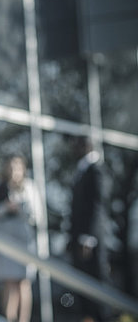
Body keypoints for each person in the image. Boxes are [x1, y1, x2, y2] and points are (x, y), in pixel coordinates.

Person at [0, 155, 42, 322]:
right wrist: (5, 207)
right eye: (10, 167)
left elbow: (37, 215)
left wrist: (20, 209)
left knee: (23, 283)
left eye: (17, 167)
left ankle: (23, 320)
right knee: (9, 283)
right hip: (5, 239)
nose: (13, 171)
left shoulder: (29, 187)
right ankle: (8, 318)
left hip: (24, 239)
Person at [69, 136, 108, 322]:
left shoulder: (95, 169)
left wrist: (88, 238)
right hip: (80, 237)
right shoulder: (82, 169)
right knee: (83, 289)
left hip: (89, 239)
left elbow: (96, 204)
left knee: (95, 286)